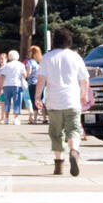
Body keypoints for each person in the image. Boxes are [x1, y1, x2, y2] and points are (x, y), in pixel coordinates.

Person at [35, 27, 90, 175]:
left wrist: (37, 96)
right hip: (72, 100)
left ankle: (59, 164)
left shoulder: (47, 57)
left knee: (56, 133)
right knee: (73, 130)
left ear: (55, 41)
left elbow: (41, 79)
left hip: (53, 101)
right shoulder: (75, 57)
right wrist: (84, 94)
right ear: (69, 41)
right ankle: (74, 151)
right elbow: (84, 79)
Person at [0, 50, 27, 125]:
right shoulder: (21, 65)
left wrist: (0, 88)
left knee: (7, 102)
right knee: (17, 102)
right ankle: (16, 118)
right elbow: (24, 75)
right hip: (17, 85)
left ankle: (6, 118)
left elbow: (2, 76)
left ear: (9, 57)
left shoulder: (7, 65)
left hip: (6, 85)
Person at [24, 45, 43, 124]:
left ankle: (34, 119)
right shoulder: (39, 62)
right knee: (39, 100)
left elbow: (28, 73)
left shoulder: (30, 62)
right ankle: (41, 117)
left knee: (33, 100)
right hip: (40, 83)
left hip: (32, 83)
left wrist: (24, 76)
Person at [0, 52, 9, 123]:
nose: (1, 60)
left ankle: (3, 117)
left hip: (3, 88)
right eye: (0, 59)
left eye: (2, 59)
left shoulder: (5, 68)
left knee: (3, 103)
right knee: (1, 103)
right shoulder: (1, 68)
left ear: (6, 59)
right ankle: (3, 117)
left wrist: (0, 89)